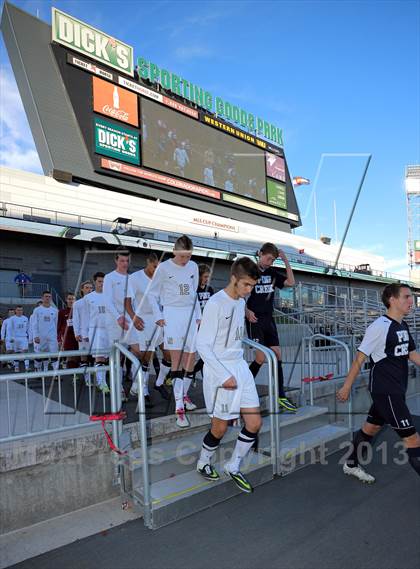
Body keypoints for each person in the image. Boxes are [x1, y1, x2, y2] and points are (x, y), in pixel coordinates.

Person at [337, 283, 420, 482]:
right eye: (407, 297)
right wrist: (347, 386)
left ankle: (351, 464)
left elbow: (411, 353)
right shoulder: (379, 327)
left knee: (370, 428)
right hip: (386, 391)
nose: (412, 301)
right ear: (392, 299)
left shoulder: (403, 324)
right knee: (413, 439)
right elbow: (360, 358)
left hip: (397, 389)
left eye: (412, 297)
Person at [196, 257, 261, 493]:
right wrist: (224, 376)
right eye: (246, 285)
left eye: (252, 286)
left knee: (254, 422)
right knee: (220, 429)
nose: (249, 290)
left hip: (239, 366)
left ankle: (233, 465)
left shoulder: (240, 302)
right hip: (219, 371)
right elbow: (202, 345)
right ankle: (203, 462)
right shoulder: (216, 303)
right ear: (234, 278)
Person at [148, 235, 201, 428]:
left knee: (191, 360)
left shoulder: (193, 267)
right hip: (172, 314)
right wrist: (158, 315)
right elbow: (152, 294)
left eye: (188, 256)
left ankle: (183, 395)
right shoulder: (163, 268)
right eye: (182, 257)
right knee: (177, 361)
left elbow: (194, 293)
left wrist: (198, 316)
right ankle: (179, 408)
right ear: (174, 251)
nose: (185, 261)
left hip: (190, 316)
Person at [246, 242, 297, 412]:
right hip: (254, 320)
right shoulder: (249, 271)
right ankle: (243, 386)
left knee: (277, 355)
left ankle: (281, 395)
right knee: (260, 358)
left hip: (269, 320)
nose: (269, 262)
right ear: (260, 254)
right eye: (268, 258)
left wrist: (286, 261)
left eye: (273, 260)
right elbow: (238, 294)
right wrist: (246, 310)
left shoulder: (273, 273)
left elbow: (291, 282)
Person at [127, 252, 171, 402]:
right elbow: (127, 302)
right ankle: (142, 389)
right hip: (144, 321)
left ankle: (159, 383)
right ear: (148, 262)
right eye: (154, 267)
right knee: (147, 358)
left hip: (160, 319)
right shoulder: (135, 278)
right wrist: (133, 317)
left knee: (169, 353)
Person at [103, 248, 144, 402]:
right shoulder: (110, 278)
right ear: (116, 261)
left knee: (139, 351)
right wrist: (118, 317)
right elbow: (107, 300)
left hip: (130, 322)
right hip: (115, 322)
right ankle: (118, 388)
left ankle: (136, 386)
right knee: (118, 357)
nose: (125, 264)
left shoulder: (132, 279)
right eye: (122, 261)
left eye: (127, 261)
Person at [83, 272, 110, 394]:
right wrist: (84, 334)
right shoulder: (88, 298)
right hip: (96, 330)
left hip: (109, 330)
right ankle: (102, 383)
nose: (102, 284)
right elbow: (85, 318)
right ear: (95, 282)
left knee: (107, 357)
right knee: (99, 357)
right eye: (99, 281)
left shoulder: (110, 296)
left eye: (104, 282)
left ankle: (106, 381)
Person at [193, 264, 215, 380]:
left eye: (208, 277)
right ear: (199, 276)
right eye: (205, 276)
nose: (207, 279)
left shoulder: (210, 289)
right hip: (195, 326)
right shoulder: (193, 289)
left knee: (207, 354)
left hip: (207, 326)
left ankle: (194, 373)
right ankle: (184, 374)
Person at [31, 291, 59, 372]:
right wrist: (35, 335)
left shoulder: (55, 310)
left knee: (54, 354)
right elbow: (34, 324)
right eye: (46, 296)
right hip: (40, 336)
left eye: (49, 296)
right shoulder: (37, 310)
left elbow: (56, 324)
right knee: (39, 355)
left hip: (52, 336)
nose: (48, 298)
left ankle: (55, 373)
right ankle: (38, 370)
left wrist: (56, 336)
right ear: (42, 298)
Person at [72, 281, 93, 385]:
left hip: (96, 333)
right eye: (87, 287)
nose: (89, 289)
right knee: (84, 357)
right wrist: (77, 333)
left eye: (90, 288)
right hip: (83, 334)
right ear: (82, 289)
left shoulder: (97, 301)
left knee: (97, 357)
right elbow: (76, 319)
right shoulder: (77, 303)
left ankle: (99, 380)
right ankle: (87, 379)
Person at [57, 292, 78, 369]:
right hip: (67, 338)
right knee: (70, 356)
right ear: (66, 300)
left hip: (77, 336)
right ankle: (73, 375)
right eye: (69, 299)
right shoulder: (62, 312)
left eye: (73, 299)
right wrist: (59, 339)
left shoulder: (78, 310)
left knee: (77, 356)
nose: (71, 301)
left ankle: (78, 373)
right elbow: (59, 326)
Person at [6, 306, 29, 372]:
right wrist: (10, 338)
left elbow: (28, 328)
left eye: (21, 310)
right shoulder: (12, 319)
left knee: (25, 351)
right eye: (18, 310)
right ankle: (16, 367)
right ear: (15, 311)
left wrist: (30, 337)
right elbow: (9, 329)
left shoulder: (25, 318)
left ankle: (27, 367)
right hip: (15, 338)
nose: (20, 311)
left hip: (24, 337)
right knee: (16, 352)